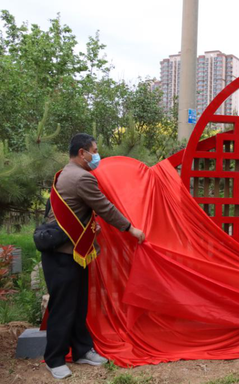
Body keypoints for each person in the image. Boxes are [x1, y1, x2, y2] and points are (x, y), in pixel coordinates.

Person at [42, 133, 145, 379]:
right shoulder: (82, 178)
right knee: (63, 307)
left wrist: (90, 226)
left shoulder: (64, 173)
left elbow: (74, 211)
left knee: (78, 304)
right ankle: (54, 359)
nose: (96, 155)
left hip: (74, 252)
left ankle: (81, 350)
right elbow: (105, 207)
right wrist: (130, 228)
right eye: (94, 150)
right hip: (63, 255)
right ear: (82, 153)